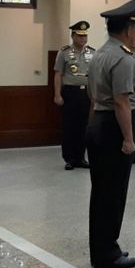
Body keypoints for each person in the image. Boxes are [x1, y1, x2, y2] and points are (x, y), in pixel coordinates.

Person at [85, 0, 135, 268]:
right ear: (128, 30)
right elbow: (122, 102)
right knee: (113, 192)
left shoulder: (100, 53)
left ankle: (103, 248)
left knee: (101, 191)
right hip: (113, 128)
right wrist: (129, 139)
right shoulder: (122, 58)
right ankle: (108, 253)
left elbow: (91, 93)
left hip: (98, 122)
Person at [53, 21, 94, 170]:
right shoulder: (64, 52)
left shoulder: (92, 52)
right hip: (70, 93)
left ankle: (80, 158)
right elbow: (58, 74)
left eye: (85, 36)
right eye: (80, 35)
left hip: (86, 93)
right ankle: (69, 159)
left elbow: (95, 76)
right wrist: (57, 95)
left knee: (84, 127)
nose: (83, 39)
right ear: (73, 36)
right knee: (69, 126)